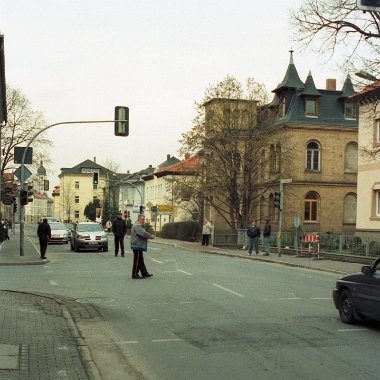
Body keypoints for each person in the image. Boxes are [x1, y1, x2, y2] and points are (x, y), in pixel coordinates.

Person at [130, 214, 154, 279]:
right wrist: (151, 236)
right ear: (139, 219)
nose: (144, 221)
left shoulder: (138, 225)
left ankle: (144, 273)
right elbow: (143, 233)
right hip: (137, 245)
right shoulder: (137, 225)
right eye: (142, 219)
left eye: (144, 219)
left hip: (138, 245)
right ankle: (134, 274)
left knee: (140, 260)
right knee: (137, 260)